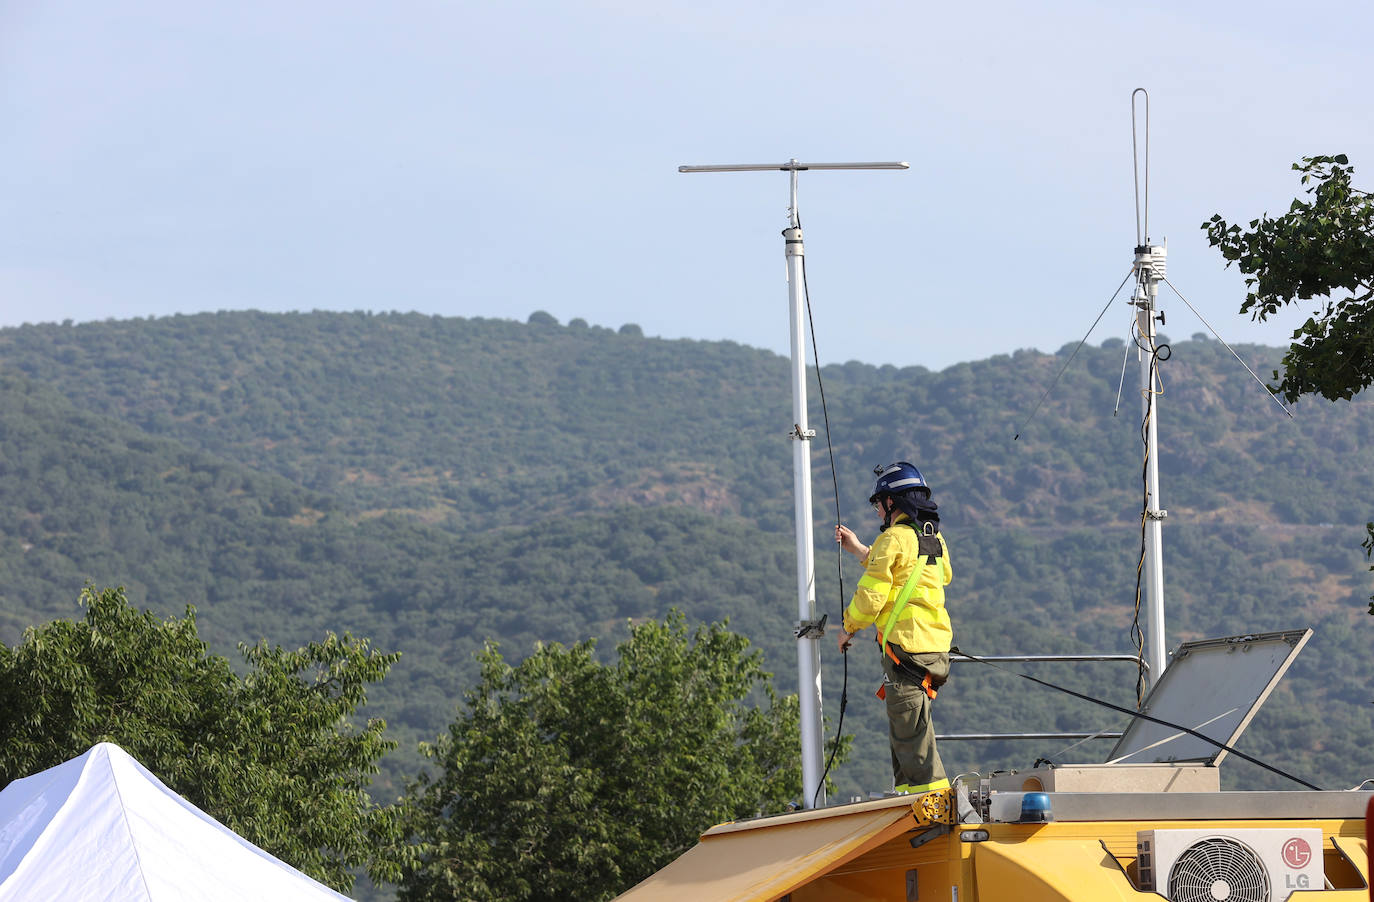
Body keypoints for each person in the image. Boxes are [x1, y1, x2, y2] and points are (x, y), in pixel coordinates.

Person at [835, 462, 953, 794]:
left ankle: (931, 808)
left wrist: (848, 628)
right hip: (935, 649)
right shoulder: (932, 538)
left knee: (912, 743)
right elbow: (933, 574)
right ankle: (912, 803)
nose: (876, 512)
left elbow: (870, 599)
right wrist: (861, 551)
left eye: (878, 503)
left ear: (893, 501)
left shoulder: (892, 539)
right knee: (912, 735)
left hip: (905, 651)